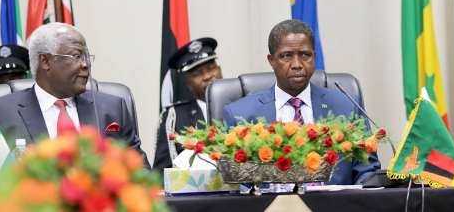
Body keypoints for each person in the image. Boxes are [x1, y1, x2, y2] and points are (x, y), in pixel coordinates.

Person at [222, 19, 380, 185]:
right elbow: (235, 183)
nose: (297, 64)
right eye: (286, 56)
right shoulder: (240, 115)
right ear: (271, 60)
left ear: (314, 57)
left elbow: (367, 170)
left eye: (305, 55)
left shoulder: (346, 106)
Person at [0, 23, 147, 164]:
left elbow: (140, 172)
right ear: (45, 61)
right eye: (76, 56)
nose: (85, 65)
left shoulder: (112, 109)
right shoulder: (4, 112)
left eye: (86, 57)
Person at [153, 37, 223, 172]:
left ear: (219, 69)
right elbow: (161, 172)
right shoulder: (174, 117)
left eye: (211, 68)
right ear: (188, 83)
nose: (207, 76)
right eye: (198, 74)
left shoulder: (240, 105)